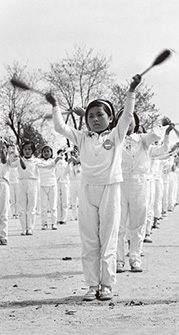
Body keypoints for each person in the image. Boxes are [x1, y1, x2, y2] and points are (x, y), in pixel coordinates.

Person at [47, 74, 141, 302]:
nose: (95, 119)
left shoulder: (116, 135)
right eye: (91, 116)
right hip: (87, 190)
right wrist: (56, 105)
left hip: (110, 189)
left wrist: (131, 90)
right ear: (86, 120)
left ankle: (107, 285)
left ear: (110, 118)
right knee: (89, 240)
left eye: (100, 115)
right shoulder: (82, 137)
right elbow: (60, 127)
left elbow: (127, 116)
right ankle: (91, 285)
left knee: (107, 239)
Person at [117, 113, 173, 273]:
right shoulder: (115, 139)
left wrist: (163, 127)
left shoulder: (142, 139)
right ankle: (118, 260)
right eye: (124, 120)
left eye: (130, 121)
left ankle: (134, 258)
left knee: (137, 223)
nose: (127, 124)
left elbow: (157, 138)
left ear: (135, 123)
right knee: (118, 224)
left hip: (139, 183)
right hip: (119, 182)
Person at [38, 145, 61, 231]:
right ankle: (44, 223)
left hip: (52, 185)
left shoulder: (54, 161)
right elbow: (48, 165)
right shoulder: (40, 161)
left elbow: (57, 172)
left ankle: (54, 223)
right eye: (44, 151)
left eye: (48, 151)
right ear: (42, 153)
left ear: (51, 152)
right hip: (43, 185)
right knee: (43, 206)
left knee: (53, 206)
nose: (46, 153)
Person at [55, 149, 70, 225]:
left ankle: (64, 218)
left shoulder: (66, 164)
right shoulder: (55, 164)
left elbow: (69, 172)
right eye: (59, 154)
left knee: (65, 201)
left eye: (62, 154)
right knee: (58, 201)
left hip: (65, 182)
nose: (61, 155)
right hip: (57, 182)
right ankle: (58, 218)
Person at [0, 140, 11, 245]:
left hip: (3, 183)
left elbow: (3, 159)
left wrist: (2, 149)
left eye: (3, 147)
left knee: (3, 211)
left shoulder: (7, 158)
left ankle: (3, 235)